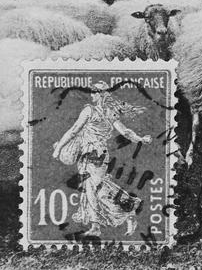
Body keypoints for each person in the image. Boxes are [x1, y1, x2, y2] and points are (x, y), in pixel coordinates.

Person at [51, 82, 155, 237]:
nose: (92, 95)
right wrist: (140, 138)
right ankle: (114, 217)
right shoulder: (108, 112)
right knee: (94, 188)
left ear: (101, 94)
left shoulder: (89, 110)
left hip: (93, 154)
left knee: (95, 189)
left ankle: (123, 211)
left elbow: (73, 131)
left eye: (94, 92)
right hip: (96, 154)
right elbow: (125, 132)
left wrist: (59, 148)